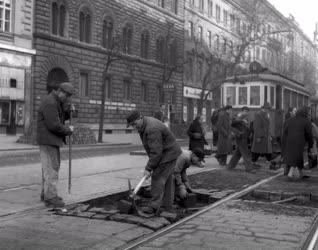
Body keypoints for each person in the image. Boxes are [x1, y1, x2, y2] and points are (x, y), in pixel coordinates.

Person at [126, 110, 182, 214]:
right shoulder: (145, 124)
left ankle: (154, 206)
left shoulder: (151, 129)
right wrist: (151, 166)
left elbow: (156, 152)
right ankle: (168, 206)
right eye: (132, 125)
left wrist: (148, 168)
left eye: (134, 124)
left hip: (168, 153)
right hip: (170, 152)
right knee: (168, 178)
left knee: (157, 177)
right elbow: (155, 150)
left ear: (140, 118)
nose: (134, 127)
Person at [37, 82, 75, 208]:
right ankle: (51, 197)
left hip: (51, 140)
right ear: (60, 92)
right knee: (52, 169)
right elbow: (54, 125)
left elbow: (60, 116)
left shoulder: (56, 101)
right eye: (67, 95)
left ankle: (47, 194)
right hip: (48, 141)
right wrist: (68, 130)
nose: (68, 98)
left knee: (49, 168)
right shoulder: (50, 103)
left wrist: (68, 112)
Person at [281, 106, 313, 179]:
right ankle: (290, 173)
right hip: (299, 141)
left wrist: (284, 143)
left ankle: (301, 173)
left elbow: (284, 132)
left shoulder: (289, 120)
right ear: (305, 113)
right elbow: (309, 134)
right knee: (297, 157)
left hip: (288, 141)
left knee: (295, 156)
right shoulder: (306, 121)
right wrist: (311, 144)